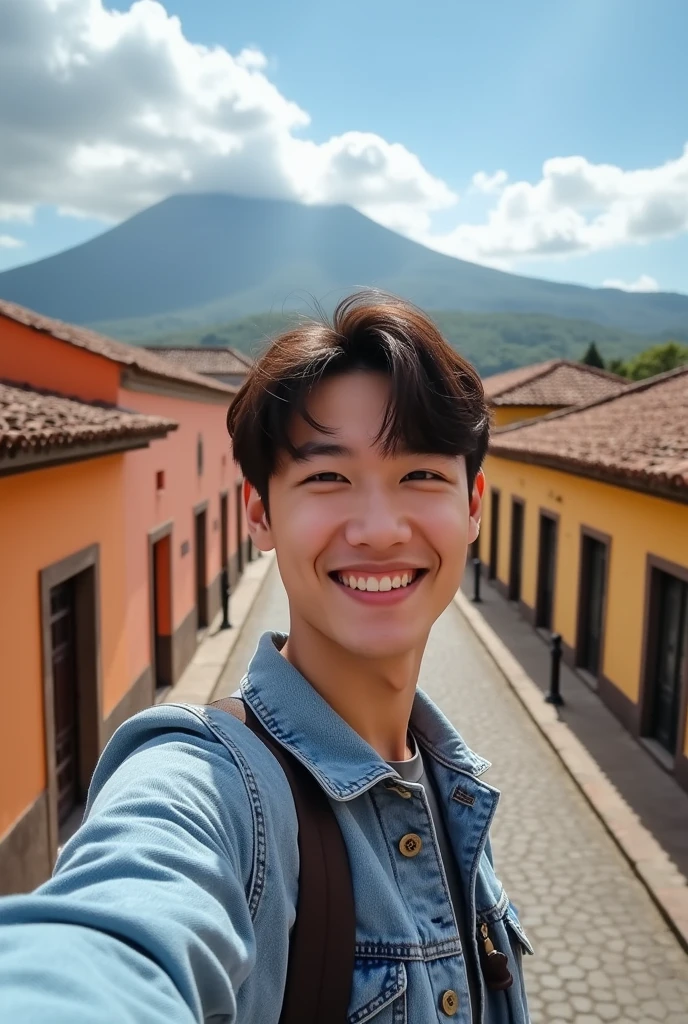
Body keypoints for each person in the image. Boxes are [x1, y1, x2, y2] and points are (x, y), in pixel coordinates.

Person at [0, 292, 532, 1022]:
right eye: (326, 478)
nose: (379, 530)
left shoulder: (450, 783)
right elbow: (112, 937)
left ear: (472, 505)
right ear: (260, 514)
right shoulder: (211, 789)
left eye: (420, 475)